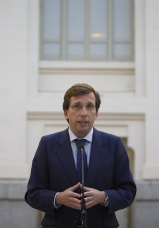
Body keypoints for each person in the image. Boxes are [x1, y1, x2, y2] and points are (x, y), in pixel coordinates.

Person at [25, 83, 136, 228]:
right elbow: (33, 193)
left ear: (96, 113)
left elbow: (128, 191)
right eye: (77, 106)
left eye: (89, 106)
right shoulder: (48, 144)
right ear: (66, 112)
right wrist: (58, 198)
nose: (84, 113)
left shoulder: (114, 144)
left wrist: (104, 197)